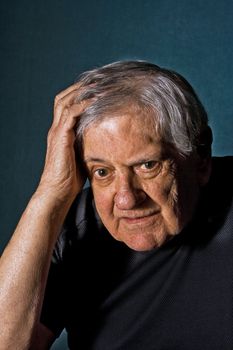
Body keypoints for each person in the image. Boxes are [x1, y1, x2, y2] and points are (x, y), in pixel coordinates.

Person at [0, 60, 232, 350]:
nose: (126, 198)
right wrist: (50, 192)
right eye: (102, 172)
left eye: (148, 165)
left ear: (200, 157)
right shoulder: (77, 227)